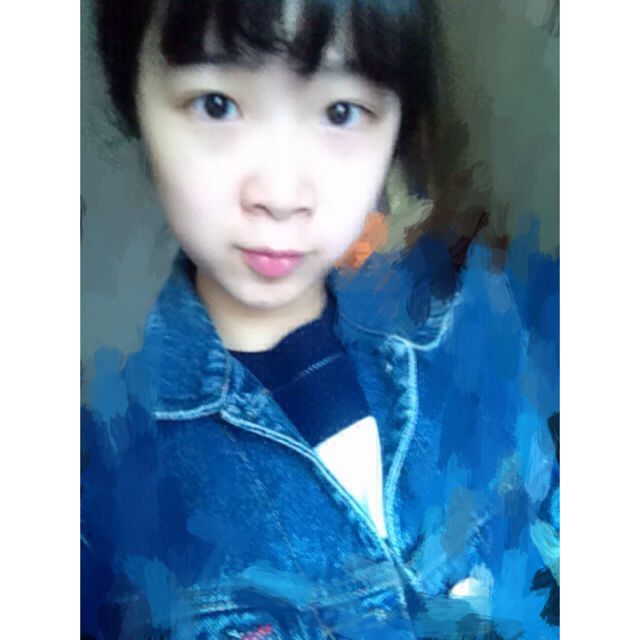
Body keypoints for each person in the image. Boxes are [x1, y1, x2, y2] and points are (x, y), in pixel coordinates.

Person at [82, 1, 560, 638]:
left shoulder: (487, 313)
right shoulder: (96, 490)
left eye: (342, 112)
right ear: (134, 102)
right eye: (216, 105)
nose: (281, 197)